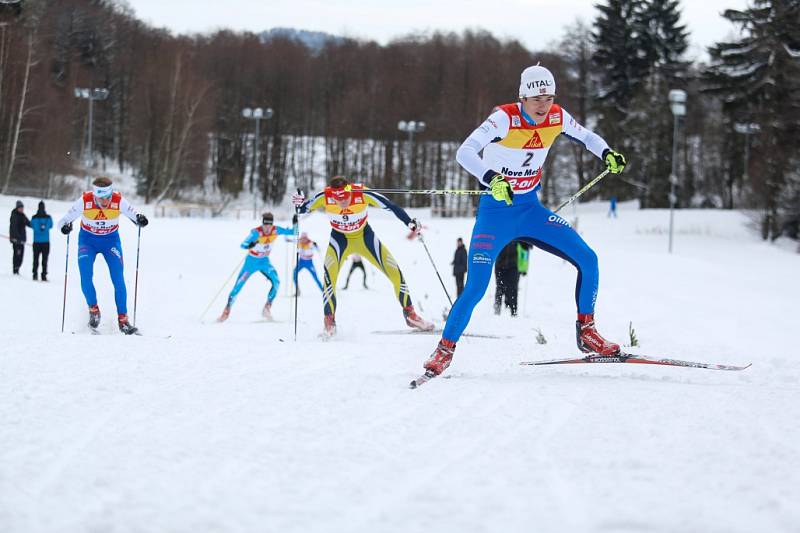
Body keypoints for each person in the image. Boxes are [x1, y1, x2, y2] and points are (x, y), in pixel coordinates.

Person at [421, 64, 627, 377]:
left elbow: (587, 137)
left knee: (588, 259)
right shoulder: (505, 118)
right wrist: (492, 178)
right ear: (522, 97)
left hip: (531, 211)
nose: (543, 106)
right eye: (536, 99)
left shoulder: (557, 116)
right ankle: (444, 349)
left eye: (548, 98)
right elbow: (465, 151)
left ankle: (587, 333)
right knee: (476, 287)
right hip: (495, 214)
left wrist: (607, 153)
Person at [293, 175, 433, 337]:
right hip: (339, 240)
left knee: (395, 272)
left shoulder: (362, 193)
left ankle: (411, 315)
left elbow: (391, 205)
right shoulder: (325, 196)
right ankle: (329, 322)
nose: (343, 202)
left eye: (346, 198)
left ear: (349, 190)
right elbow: (302, 209)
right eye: (339, 200)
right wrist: (299, 202)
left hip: (365, 238)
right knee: (329, 280)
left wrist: (409, 222)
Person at [58, 177, 148, 334]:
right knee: (85, 276)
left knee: (118, 279)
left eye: (108, 197)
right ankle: (94, 310)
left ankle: (123, 320)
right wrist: (65, 227)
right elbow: (63, 221)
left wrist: (141, 220)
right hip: (88, 241)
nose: (105, 201)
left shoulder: (118, 200)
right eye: (101, 198)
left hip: (110, 242)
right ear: (95, 195)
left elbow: (136, 217)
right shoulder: (85, 200)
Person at [218, 212, 296, 322]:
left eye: (269, 225)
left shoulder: (276, 230)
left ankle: (267, 308)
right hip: (251, 263)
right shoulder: (256, 232)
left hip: (264, 262)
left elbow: (294, 232)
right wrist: (250, 245)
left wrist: (296, 223)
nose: (267, 228)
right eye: (265, 225)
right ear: (262, 224)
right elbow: (243, 245)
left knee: (276, 282)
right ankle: (227, 310)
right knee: (237, 287)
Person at [493, 242, 520, 316]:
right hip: (500, 266)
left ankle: (513, 310)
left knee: (513, 289)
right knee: (499, 288)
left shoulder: (515, 236)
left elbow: (525, 245)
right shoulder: (500, 234)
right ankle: (497, 309)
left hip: (513, 267)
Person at [31, 200, 53, 281]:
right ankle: (44, 275)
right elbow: (51, 226)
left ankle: (35, 274)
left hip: (36, 242)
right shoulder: (48, 217)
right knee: (45, 259)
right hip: (46, 242)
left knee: (35, 258)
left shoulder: (34, 217)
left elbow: (32, 226)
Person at [9, 200, 30, 275]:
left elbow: (28, 223)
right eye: (20, 208)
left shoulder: (23, 215)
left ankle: (17, 268)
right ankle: (15, 269)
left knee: (21, 256)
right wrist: (17, 238)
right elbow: (13, 228)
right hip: (16, 240)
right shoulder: (14, 215)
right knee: (17, 255)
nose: (22, 209)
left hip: (22, 240)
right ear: (17, 208)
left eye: (22, 208)